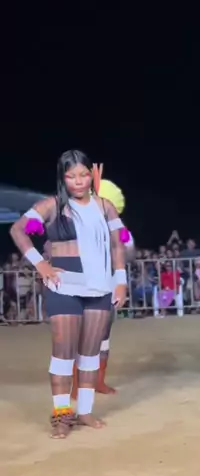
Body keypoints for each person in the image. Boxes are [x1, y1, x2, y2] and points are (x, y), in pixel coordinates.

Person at [9, 150, 128, 438]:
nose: (78, 181)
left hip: (100, 288)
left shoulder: (105, 207)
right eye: (71, 176)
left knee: (90, 354)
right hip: (65, 288)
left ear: (91, 176)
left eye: (84, 174)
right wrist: (41, 264)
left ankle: (84, 411)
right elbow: (18, 230)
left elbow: (117, 245)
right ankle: (62, 415)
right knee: (63, 354)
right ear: (63, 178)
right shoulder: (51, 205)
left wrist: (120, 282)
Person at [71, 167, 135, 397]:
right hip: (85, 287)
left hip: (108, 288)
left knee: (104, 336)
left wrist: (122, 239)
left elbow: (129, 255)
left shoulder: (119, 230)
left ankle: (99, 381)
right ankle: (77, 384)